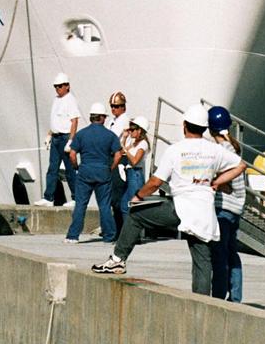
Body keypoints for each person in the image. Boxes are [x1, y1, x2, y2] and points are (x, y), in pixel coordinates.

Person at [92, 104, 246, 295]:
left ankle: (117, 260)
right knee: (202, 262)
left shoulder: (176, 150)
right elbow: (240, 166)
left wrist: (138, 196)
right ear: (204, 128)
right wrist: (214, 182)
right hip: (204, 215)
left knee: (136, 215)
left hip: (180, 209)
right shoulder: (214, 150)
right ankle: (203, 303)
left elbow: (156, 181)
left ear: (184, 126)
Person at [66, 103, 122, 243]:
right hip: (103, 171)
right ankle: (109, 236)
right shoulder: (110, 135)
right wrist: (111, 168)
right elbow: (118, 155)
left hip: (85, 171)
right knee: (104, 205)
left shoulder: (81, 134)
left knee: (80, 204)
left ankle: (73, 236)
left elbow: (72, 154)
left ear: (91, 117)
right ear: (102, 118)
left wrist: (76, 167)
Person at [207, 105, 246, 302]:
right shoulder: (234, 147)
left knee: (219, 256)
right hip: (236, 208)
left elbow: (226, 182)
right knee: (232, 254)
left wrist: (212, 184)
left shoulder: (221, 150)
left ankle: (218, 296)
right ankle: (236, 297)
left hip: (224, 208)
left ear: (210, 128)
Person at [40, 72, 80, 206]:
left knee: (69, 169)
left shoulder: (70, 100)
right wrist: (49, 134)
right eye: (56, 86)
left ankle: (75, 197)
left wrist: (70, 140)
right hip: (56, 137)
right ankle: (48, 198)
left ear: (67, 86)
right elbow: (56, 120)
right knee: (52, 168)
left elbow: (74, 121)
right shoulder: (56, 100)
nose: (58, 88)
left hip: (65, 138)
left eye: (60, 86)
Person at [106, 92, 131, 232]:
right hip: (111, 157)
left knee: (118, 196)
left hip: (120, 159)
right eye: (112, 106)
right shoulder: (112, 121)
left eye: (117, 106)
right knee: (113, 196)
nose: (114, 109)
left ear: (123, 107)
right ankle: (116, 228)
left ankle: (121, 230)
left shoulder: (124, 121)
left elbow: (112, 138)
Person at [118, 116, 150, 211]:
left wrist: (126, 150)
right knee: (124, 205)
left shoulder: (143, 144)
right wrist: (124, 138)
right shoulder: (134, 142)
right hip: (131, 174)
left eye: (132, 129)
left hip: (136, 175)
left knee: (132, 206)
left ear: (139, 130)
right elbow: (121, 152)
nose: (130, 131)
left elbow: (135, 161)